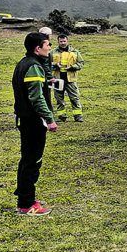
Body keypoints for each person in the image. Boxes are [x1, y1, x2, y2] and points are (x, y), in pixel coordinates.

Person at [12, 32, 59, 215]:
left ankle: (25, 197)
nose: (49, 47)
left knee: (27, 160)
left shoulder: (25, 63)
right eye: (47, 44)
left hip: (25, 119)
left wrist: (47, 82)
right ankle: (26, 205)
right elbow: (37, 98)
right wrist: (49, 119)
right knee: (32, 161)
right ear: (37, 48)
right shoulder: (33, 66)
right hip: (33, 121)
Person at [51, 34, 85, 122]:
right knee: (59, 99)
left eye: (64, 41)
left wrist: (72, 67)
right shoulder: (52, 52)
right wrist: (55, 65)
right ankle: (61, 117)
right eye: (61, 41)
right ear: (58, 42)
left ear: (67, 41)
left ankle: (78, 116)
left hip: (71, 79)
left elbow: (81, 63)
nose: (63, 43)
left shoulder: (75, 51)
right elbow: (46, 64)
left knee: (74, 98)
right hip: (57, 79)